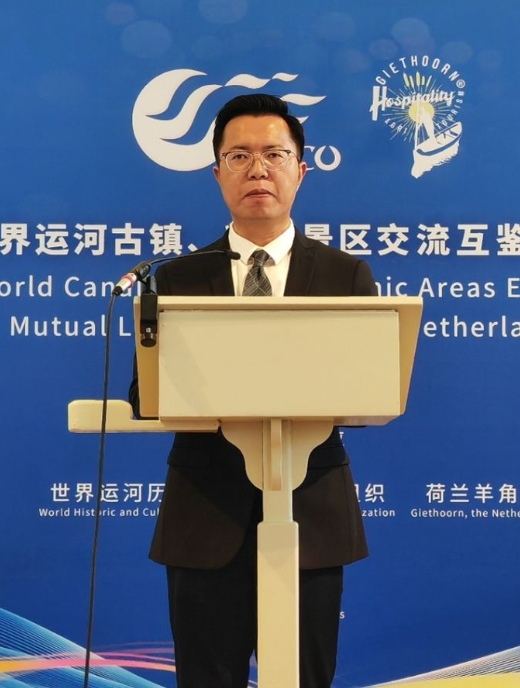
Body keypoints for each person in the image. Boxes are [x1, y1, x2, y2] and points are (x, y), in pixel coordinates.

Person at [128, 93, 376, 688]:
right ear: (217, 172)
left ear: (301, 170)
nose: (257, 169)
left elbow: (369, 387)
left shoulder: (345, 274)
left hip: (310, 510)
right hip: (205, 511)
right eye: (239, 156)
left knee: (306, 677)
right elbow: (146, 393)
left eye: (273, 154)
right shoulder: (176, 277)